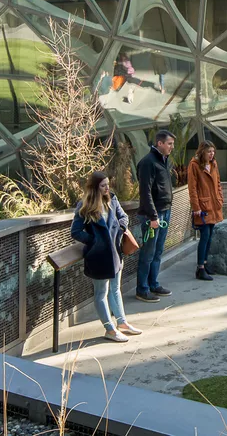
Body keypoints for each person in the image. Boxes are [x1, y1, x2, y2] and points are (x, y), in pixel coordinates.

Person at [70, 172, 142, 342]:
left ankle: (122, 323)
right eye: (103, 185)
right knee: (101, 292)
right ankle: (109, 328)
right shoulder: (85, 206)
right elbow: (75, 231)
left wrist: (122, 229)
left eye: (107, 184)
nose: (107, 188)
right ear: (95, 188)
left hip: (115, 253)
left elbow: (123, 216)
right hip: (98, 256)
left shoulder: (112, 200)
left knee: (116, 288)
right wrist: (94, 241)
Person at [133, 130, 176, 302]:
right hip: (154, 215)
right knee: (148, 253)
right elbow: (145, 192)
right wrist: (152, 216)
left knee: (158, 251)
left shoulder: (162, 161)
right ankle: (142, 289)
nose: (172, 147)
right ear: (160, 143)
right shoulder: (148, 163)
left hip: (165, 211)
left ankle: (153, 284)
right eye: (169, 144)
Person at [187, 140, 224, 281]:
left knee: (210, 236)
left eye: (213, 151)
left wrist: (220, 198)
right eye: (209, 151)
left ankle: (205, 263)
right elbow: (192, 188)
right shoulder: (194, 165)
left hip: (214, 205)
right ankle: (200, 268)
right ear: (202, 151)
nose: (212, 154)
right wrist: (196, 207)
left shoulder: (213, 164)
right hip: (203, 207)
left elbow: (218, 182)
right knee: (204, 236)